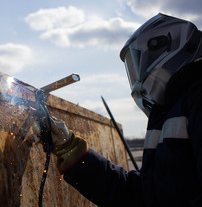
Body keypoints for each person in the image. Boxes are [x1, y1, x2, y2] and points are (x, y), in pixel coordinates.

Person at [45, 13, 202, 207]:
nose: (137, 80)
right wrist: (69, 148)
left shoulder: (197, 99)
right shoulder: (169, 113)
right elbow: (143, 196)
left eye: (137, 62)